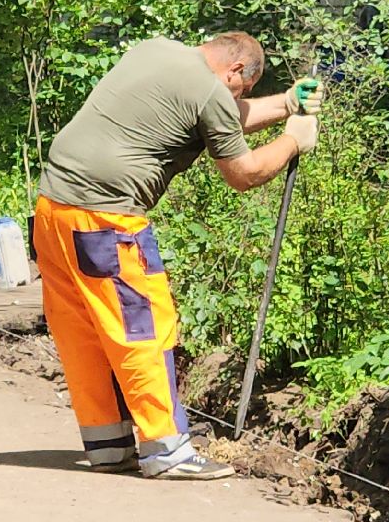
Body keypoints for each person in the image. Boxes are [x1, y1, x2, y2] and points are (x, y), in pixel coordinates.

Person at [34, 32, 322, 480]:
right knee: (140, 329)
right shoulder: (211, 90)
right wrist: (292, 142)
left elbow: (217, 115)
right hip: (107, 220)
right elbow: (243, 173)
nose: (237, 98)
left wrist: (285, 102)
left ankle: (108, 445)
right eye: (241, 90)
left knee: (84, 331)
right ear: (235, 72)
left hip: (53, 211)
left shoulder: (158, 51)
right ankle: (167, 450)